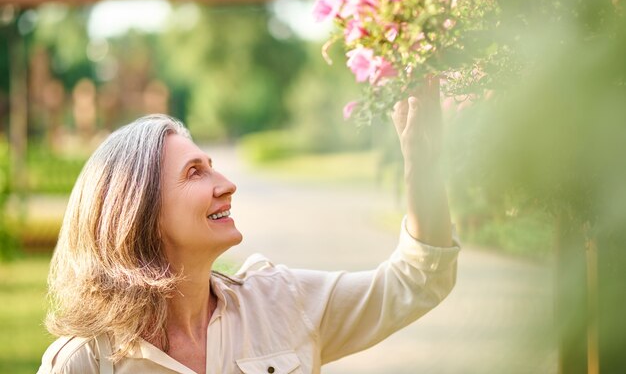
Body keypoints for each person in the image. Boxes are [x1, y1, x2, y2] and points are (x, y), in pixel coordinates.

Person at [38, 89, 460, 374]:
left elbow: (418, 280)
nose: (226, 184)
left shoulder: (281, 303)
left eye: (212, 165)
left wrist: (421, 168)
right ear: (139, 211)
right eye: (194, 172)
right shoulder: (85, 361)